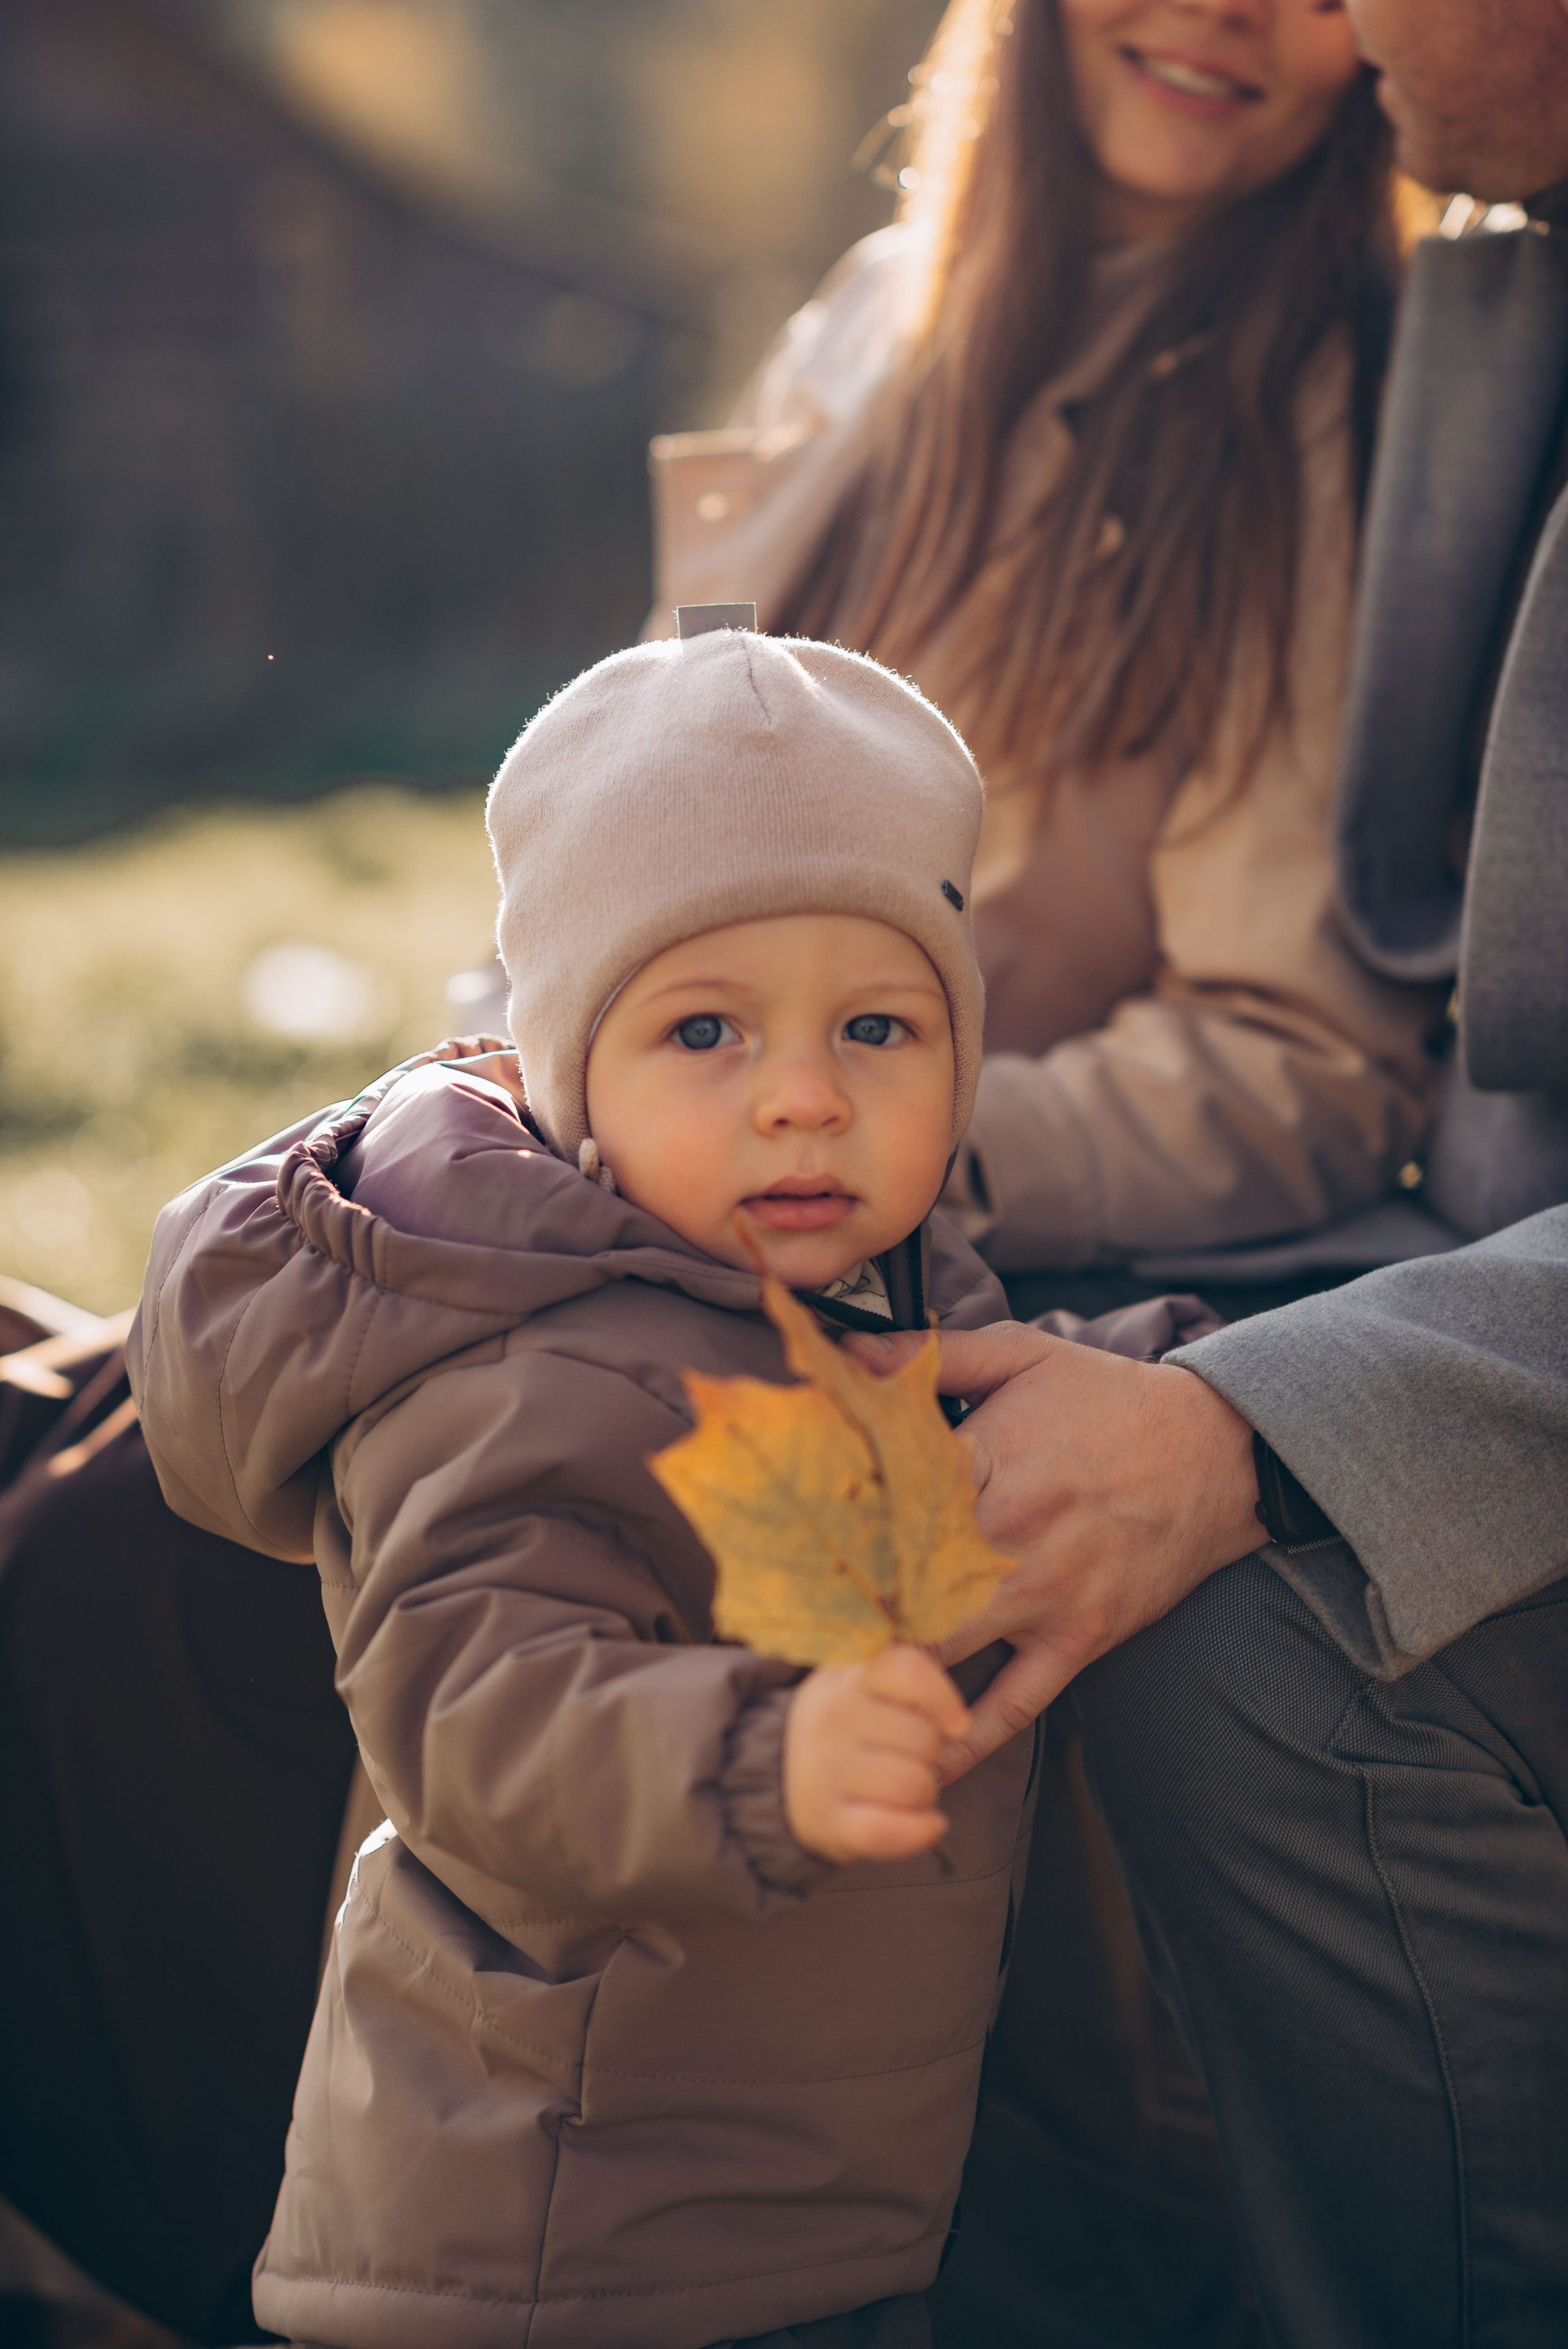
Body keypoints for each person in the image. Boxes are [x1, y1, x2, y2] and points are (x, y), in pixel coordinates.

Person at [847, 5, 1568, 2342]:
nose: (1323, 12)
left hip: (1143, 1237)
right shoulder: (877, 341)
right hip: (1366, 1261)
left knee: (1170, 1609)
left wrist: (1255, 1425)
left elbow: (1314, 1054)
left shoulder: (1335, 386)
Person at [129, 622, 1038, 2349]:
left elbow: (1027, 1413)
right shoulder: (533, 1367)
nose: (802, 1099)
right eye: (705, 1028)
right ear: (567, 1076)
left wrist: (1197, 1386)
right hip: (560, 2230)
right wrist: (754, 1756)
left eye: (876, 1025)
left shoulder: (888, 1307)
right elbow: (475, 1708)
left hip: (802, 2200)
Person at [652, 0, 1439, 1279]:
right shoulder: (870, 311)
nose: (1224, 10)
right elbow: (628, 803)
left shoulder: (1333, 423)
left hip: (955, 1274)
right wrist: (514, 1073)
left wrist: (866, 1152)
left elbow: (1300, 1060)